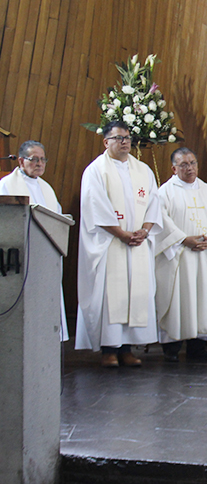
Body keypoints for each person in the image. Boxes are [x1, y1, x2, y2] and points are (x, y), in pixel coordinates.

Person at [75, 121, 162, 367]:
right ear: (106, 142)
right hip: (110, 244)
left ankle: (127, 349)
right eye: (118, 138)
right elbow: (95, 208)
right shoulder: (96, 171)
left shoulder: (143, 170)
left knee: (135, 293)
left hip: (136, 243)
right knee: (111, 295)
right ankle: (108, 350)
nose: (125, 142)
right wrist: (122, 234)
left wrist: (144, 231)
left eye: (127, 137)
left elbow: (154, 204)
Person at [154, 148, 207, 362]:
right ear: (174, 168)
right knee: (179, 298)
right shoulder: (165, 192)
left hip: (203, 255)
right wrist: (183, 239)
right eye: (184, 164)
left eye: (192, 163)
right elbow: (162, 222)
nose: (189, 168)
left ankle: (198, 348)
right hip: (178, 255)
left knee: (201, 299)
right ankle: (172, 347)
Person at [0, 140, 69, 342]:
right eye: (34, 159)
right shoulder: (6, 186)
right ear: (21, 161)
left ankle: (46, 339)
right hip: (20, 256)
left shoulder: (46, 188)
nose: (39, 163)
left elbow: (57, 218)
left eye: (43, 159)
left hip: (45, 255)